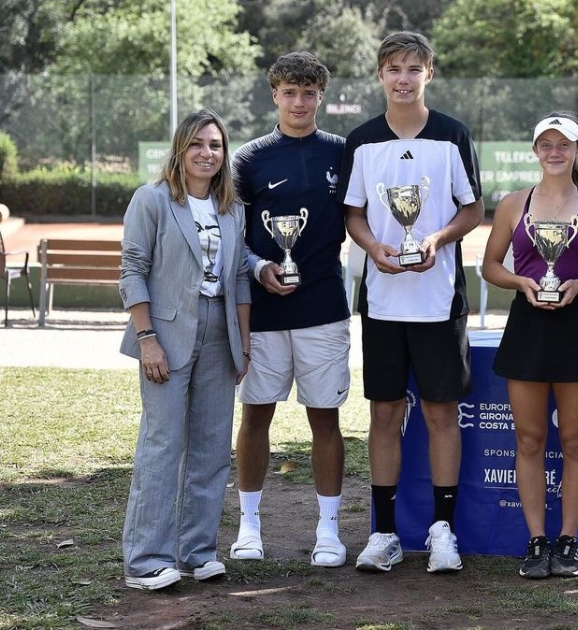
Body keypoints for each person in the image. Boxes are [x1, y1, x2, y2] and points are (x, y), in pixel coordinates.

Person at [338, 31, 484, 573]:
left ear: (429, 74)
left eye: (413, 69)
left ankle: (442, 532)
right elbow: (353, 212)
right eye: (394, 68)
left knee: (443, 412)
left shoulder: (452, 136)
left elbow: (471, 210)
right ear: (380, 75)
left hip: (438, 300)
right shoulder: (362, 140)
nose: (403, 78)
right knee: (384, 412)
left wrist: (437, 240)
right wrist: (374, 245)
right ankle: (382, 533)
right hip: (381, 302)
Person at [481, 113, 578, 579]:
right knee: (529, 439)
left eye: (564, 144)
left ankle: (568, 541)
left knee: (577, 440)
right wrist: (522, 281)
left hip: (577, 326)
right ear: (535, 151)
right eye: (547, 144)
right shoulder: (512, 204)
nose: (555, 151)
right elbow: (490, 266)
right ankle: (536, 540)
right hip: (527, 325)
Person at [119, 109, 252, 591]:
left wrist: (244, 342)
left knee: (213, 446)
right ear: (180, 149)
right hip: (166, 335)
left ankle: (198, 551)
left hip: (221, 335)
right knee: (163, 443)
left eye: (215, 145)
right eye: (197, 144)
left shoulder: (232, 208)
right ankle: (146, 559)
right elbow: (132, 270)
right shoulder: (152, 200)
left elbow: (238, 278)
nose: (206, 153)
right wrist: (147, 337)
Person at [229, 52, 351, 568]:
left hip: (324, 307)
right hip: (263, 311)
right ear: (274, 95)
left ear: (320, 96)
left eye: (308, 93)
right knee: (256, 415)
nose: (299, 102)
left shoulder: (345, 153)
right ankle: (248, 525)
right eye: (289, 93)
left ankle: (328, 530)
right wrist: (260, 268)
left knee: (325, 419)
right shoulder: (249, 158)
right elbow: (232, 233)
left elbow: (362, 220)